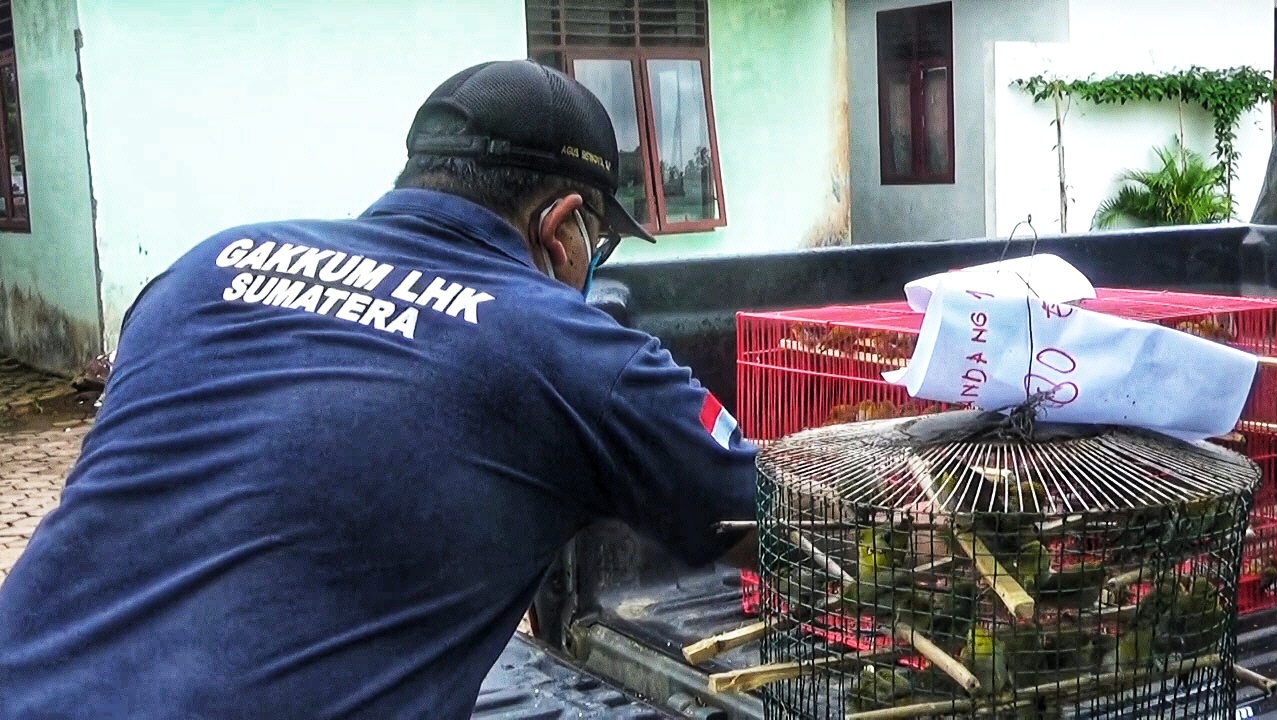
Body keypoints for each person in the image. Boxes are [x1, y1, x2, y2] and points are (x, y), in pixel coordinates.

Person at [0, 60, 757, 719]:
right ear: (560, 229)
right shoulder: (574, 352)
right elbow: (770, 512)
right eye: (601, 240)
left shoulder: (203, 268)